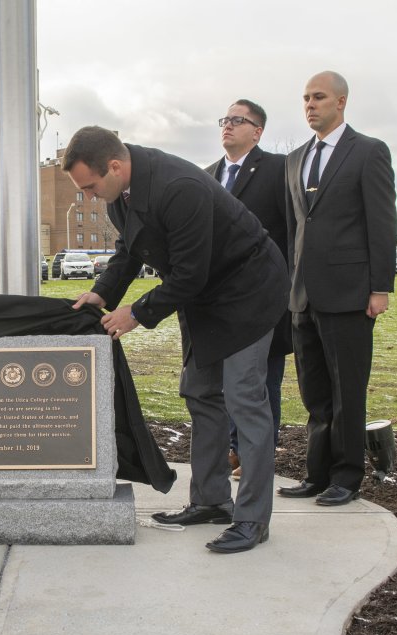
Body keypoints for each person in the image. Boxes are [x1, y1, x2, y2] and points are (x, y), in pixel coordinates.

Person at [63, 126, 289, 553]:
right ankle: (211, 500)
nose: (89, 196)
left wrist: (137, 313)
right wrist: (104, 293)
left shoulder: (178, 187)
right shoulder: (121, 193)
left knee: (244, 400)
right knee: (201, 394)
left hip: (248, 292)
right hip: (205, 297)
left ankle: (253, 519)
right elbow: (130, 251)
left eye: (90, 186)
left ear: (115, 165)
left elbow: (190, 273)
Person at [277, 71, 397, 506]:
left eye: (319, 97)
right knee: (314, 392)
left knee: (348, 390)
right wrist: (290, 285)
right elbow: (294, 230)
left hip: (350, 293)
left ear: (341, 102)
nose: (310, 104)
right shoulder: (294, 159)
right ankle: (317, 474)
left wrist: (380, 287)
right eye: (306, 98)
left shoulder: (367, 152)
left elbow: (382, 223)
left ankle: (347, 476)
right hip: (303, 296)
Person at [204, 100, 292, 479]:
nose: (228, 126)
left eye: (238, 120)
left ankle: (259, 454)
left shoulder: (277, 170)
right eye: (225, 120)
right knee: (229, 382)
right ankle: (235, 449)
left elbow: (291, 231)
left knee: (262, 380)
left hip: (263, 297)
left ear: (257, 131)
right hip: (219, 303)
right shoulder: (207, 176)